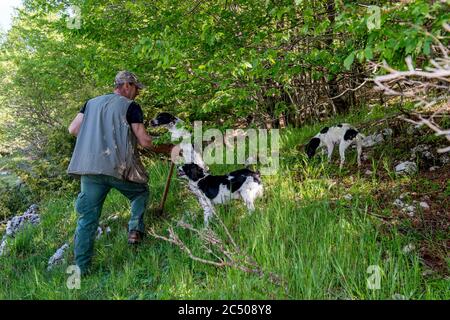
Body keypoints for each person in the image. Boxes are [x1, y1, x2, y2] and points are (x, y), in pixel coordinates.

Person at [67, 71, 172, 274]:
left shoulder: (90, 103)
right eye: (136, 89)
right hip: (117, 168)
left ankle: (81, 270)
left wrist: (95, 136)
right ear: (126, 85)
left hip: (89, 169)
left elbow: (73, 129)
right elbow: (144, 141)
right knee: (140, 192)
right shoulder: (130, 107)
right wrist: (167, 148)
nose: (137, 94)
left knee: (87, 220)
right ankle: (135, 229)